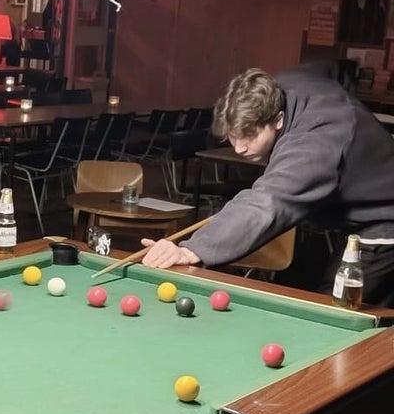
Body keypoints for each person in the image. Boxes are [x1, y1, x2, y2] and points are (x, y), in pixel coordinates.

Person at [141, 66, 394, 308]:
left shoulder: (315, 142)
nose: (239, 147)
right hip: (346, 222)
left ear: (278, 119)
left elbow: (266, 203)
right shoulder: (281, 84)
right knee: (302, 283)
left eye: (250, 135)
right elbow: (335, 68)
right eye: (233, 135)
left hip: (382, 224)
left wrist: (192, 249)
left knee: (338, 311)